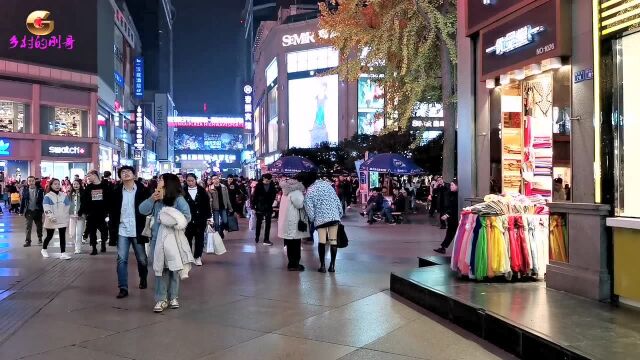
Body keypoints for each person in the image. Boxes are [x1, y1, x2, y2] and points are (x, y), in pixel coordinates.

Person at [139, 173, 192, 313]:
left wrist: (169, 220)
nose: (158, 181)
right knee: (160, 269)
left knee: (174, 268)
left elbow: (187, 216)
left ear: (169, 183)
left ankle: (173, 296)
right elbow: (142, 210)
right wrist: (152, 198)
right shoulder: (156, 197)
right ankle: (161, 299)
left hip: (174, 239)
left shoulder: (179, 199)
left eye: (161, 179)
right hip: (157, 239)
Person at [110, 166, 150, 299]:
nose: (125, 174)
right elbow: (112, 211)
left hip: (138, 229)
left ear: (134, 175)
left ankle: (143, 278)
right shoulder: (115, 191)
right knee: (121, 259)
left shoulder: (143, 191)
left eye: (128, 172)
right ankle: (123, 287)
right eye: (123, 172)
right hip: (122, 229)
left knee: (142, 259)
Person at [300, 172, 343, 273]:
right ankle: (332, 266)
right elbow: (337, 200)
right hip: (334, 217)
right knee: (333, 241)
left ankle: (322, 266)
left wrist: (313, 220)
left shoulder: (310, 191)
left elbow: (309, 210)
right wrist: (339, 214)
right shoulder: (328, 186)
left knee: (322, 241)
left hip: (321, 220)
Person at [277, 178, 308, 271]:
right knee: (296, 243)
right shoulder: (296, 192)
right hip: (294, 221)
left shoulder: (285, 191)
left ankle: (291, 263)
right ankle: (295, 264)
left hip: (287, 221)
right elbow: (299, 204)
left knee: (289, 243)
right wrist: (304, 196)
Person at [79, 170, 110, 255]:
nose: (88, 178)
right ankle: (94, 248)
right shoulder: (89, 187)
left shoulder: (105, 186)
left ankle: (103, 243)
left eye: (89, 176)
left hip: (102, 213)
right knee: (92, 231)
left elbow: (109, 200)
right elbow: (84, 200)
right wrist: (81, 211)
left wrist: (108, 212)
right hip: (91, 213)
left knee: (104, 230)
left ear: (95, 175)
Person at [184, 173, 211, 266]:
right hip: (187, 220)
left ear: (196, 180)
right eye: (188, 181)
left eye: (192, 180)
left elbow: (207, 204)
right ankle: (188, 257)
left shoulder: (202, 191)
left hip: (201, 219)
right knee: (187, 239)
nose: (190, 182)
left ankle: (197, 256)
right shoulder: (183, 191)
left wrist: (208, 217)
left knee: (200, 239)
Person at [41, 178, 71, 259]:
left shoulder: (64, 195)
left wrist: (65, 216)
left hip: (62, 219)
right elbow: (46, 208)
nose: (57, 185)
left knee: (62, 236)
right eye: (55, 184)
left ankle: (63, 253)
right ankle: (44, 249)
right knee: (49, 236)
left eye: (58, 184)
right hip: (51, 219)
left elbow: (67, 207)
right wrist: (51, 217)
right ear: (51, 185)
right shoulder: (48, 196)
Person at [251, 173, 277, 246]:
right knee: (259, 222)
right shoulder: (258, 185)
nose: (267, 182)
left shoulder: (272, 186)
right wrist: (253, 207)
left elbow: (274, 194)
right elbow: (254, 197)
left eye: (269, 181)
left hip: (268, 206)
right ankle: (257, 237)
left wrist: (271, 202)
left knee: (268, 223)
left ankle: (266, 239)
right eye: (266, 180)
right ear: (263, 178)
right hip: (259, 206)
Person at [434, 180, 459, 254]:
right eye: (450, 185)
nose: (451, 186)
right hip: (452, 218)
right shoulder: (451, 194)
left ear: (457, 186)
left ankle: (443, 247)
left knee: (451, 233)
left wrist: (447, 215)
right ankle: (443, 247)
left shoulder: (457, 196)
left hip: (455, 218)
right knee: (450, 233)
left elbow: (454, 208)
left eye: (452, 185)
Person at [20, 176, 44, 247]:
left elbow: (43, 200)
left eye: (32, 181)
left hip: (38, 211)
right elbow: (23, 201)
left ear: (34, 181)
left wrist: (43, 210)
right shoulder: (25, 190)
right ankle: (28, 241)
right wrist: (21, 211)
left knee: (39, 226)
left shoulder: (40, 190)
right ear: (27, 182)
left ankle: (40, 238)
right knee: (28, 226)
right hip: (29, 211)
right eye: (29, 181)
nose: (31, 182)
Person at [207, 175, 233, 239]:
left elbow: (227, 198)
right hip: (215, 208)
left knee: (225, 221)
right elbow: (210, 200)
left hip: (223, 207)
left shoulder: (224, 187)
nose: (215, 180)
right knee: (216, 223)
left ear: (219, 179)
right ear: (212, 180)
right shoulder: (210, 188)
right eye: (213, 179)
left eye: (216, 178)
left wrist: (230, 207)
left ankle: (221, 231)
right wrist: (210, 209)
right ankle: (217, 236)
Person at [68, 179, 85, 254]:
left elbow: (85, 204)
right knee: (73, 233)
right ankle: (76, 246)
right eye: (74, 184)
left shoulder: (84, 193)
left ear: (80, 185)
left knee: (79, 232)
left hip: (81, 216)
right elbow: (67, 205)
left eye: (77, 184)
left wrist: (82, 213)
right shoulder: (69, 194)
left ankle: (78, 248)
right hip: (72, 215)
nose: (75, 185)